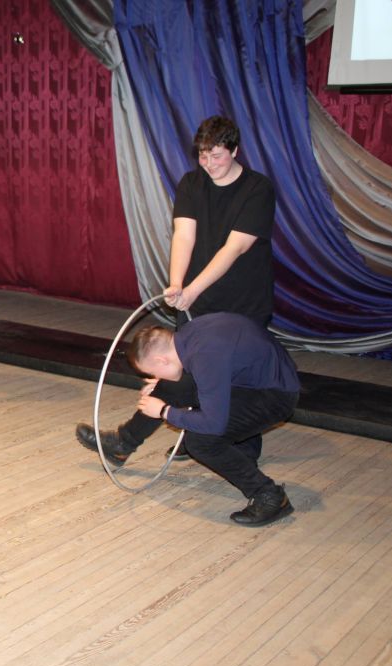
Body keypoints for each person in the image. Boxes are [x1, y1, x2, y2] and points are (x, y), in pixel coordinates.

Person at [76, 115, 276, 462]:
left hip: (243, 302)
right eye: (203, 155)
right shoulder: (191, 183)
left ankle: (242, 445)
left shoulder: (258, 189)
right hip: (197, 298)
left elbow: (235, 248)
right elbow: (183, 235)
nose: (209, 164)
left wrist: (193, 289)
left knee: (235, 375)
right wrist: (177, 283)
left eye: (217, 155)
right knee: (183, 372)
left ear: (235, 151)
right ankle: (134, 441)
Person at [129, 313, 299, 526]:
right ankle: (123, 443)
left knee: (200, 441)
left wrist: (164, 411)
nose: (156, 377)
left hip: (275, 395)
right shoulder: (189, 335)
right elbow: (209, 369)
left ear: (161, 360)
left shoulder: (205, 356)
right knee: (176, 387)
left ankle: (269, 496)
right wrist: (163, 385)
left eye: (153, 372)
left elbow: (213, 424)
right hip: (255, 380)